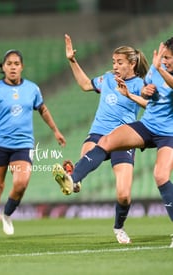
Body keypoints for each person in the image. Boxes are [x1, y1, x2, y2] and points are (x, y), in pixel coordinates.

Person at [53, 38, 173, 248]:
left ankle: (119, 227)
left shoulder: (148, 75)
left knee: (134, 190)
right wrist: (72, 60)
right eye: (114, 61)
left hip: (157, 134)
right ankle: (73, 179)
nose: (115, 66)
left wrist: (139, 90)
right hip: (122, 129)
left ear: (132, 63)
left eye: (119, 62)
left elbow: (158, 96)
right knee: (102, 142)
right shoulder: (111, 79)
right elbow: (84, 84)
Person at [0, 49, 66, 240]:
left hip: (23, 144)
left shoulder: (32, 89)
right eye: (9, 64)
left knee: (21, 183)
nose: (12, 67)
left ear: (22, 67)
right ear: (3, 67)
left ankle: (7, 214)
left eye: (16, 64)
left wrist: (56, 130)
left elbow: (43, 109)